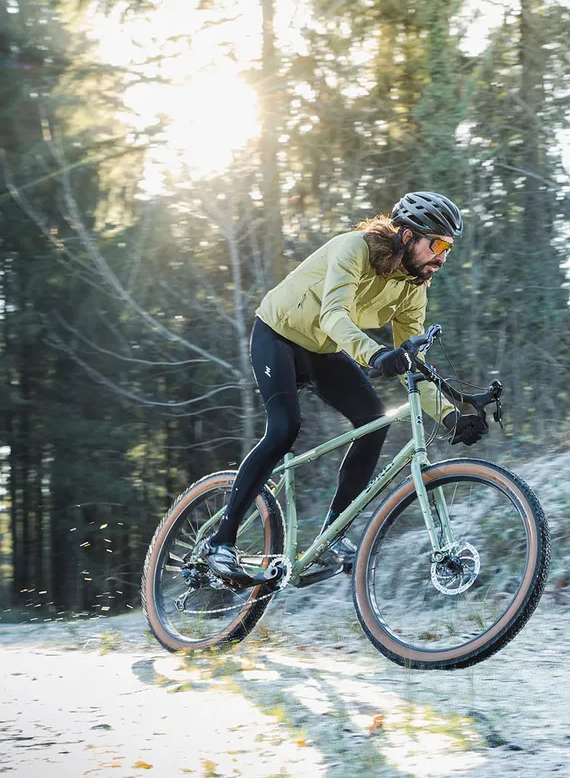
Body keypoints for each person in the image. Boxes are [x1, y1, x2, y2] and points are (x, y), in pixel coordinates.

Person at [205, 191, 489, 584]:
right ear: (407, 236)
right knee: (285, 428)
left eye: (448, 248)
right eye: (436, 244)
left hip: (323, 348)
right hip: (278, 334)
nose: (442, 256)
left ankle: (331, 537)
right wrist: (376, 356)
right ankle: (220, 543)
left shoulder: (414, 287)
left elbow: (414, 364)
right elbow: (333, 314)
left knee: (374, 420)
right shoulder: (353, 249)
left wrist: (450, 415)